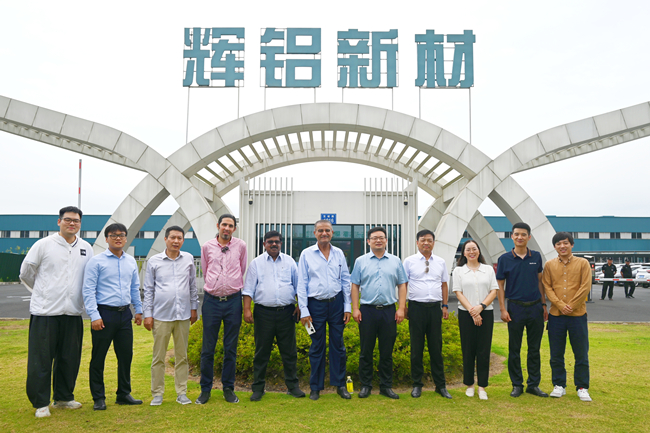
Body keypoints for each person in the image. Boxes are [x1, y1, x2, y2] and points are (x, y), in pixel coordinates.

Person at [20, 206, 93, 418]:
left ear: (80, 224)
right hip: (45, 313)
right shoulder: (43, 245)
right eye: (68, 220)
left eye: (76, 221)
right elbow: (26, 272)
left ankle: (63, 398)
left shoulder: (86, 248)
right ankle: (41, 403)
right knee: (41, 360)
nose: (72, 224)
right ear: (59, 222)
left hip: (72, 313)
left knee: (69, 358)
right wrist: (42, 291)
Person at [83, 223, 143, 411]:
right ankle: (98, 397)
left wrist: (138, 310)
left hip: (124, 314)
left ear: (126, 238)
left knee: (126, 356)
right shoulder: (96, 261)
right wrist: (94, 315)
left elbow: (134, 288)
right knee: (98, 357)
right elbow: (88, 290)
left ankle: (123, 393)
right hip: (104, 314)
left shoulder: (130, 261)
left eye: (121, 235)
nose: (118, 238)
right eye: (113, 235)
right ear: (106, 238)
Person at [242, 230, 305, 401]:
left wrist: (300, 305)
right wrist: (247, 310)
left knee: (289, 352)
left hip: (287, 313)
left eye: (277, 241)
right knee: (261, 352)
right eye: (270, 242)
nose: (274, 244)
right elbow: (248, 289)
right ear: (264, 244)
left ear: (281, 243)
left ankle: (293, 387)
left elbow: (299, 286)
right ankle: (258, 388)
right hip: (263, 313)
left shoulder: (290, 262)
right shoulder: (256, 263)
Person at [143, 226, 198, 406]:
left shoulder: (188, 259)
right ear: (165, 239)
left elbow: (192, 286)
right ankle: (157, 393)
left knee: (182, 356)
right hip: (161, 315)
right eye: (173, 237)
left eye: (179, 238)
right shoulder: (154, 261)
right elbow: (148, 289)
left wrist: (194, 308)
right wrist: (148, 314)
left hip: (183, 315)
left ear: (183, 240)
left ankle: (181, 392)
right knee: (158, 357)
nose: (176, 241)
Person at [297, 219, 352, 401]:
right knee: (316, 347)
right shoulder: (306, 254)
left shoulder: (339, 254)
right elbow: (302, 283)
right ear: (315, 233)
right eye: (320, 230)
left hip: (336, 304)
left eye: (327, 230)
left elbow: (345, 280)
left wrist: (347, 307)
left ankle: (340, 385)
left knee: (338, 346)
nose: (324, 233)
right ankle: (315, 387)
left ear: (332, 233)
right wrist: (304, 310)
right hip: (315, 306)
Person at [350, 227, 407, 399]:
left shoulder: (396, 261)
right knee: (366, 351)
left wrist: (401, 308)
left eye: (381, 237)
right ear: (368, 241)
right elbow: (355, 285)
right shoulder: (361, 261)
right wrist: (355, 308)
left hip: (389, 311)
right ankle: (365, 386)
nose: (378, 240)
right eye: (374, 238)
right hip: (367, 311)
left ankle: (386, 386)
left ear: (386, 241)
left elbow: (402, 285)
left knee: (386, 352)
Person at [196, 214, 247, 405]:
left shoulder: (241, 246)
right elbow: (206, 269)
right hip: (212, 302)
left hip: (233, 301)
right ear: (218, 225)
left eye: (230, 225)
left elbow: (241, 269)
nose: (227, 228)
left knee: (230, 348)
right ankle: (205, 389)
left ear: (234, 229)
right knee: (208, 348)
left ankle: (228, 388)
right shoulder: (207, 246)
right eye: (224, 224)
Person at [496, 222, 549, 398]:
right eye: (517, 234)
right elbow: (500, 285)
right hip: (515, 308)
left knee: (534, 349)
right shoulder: (504, 259)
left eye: (523, 234)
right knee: (514, 349)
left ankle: (533, 385)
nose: (520, 237)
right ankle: (517, 384)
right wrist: (503, 309)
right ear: (512, 236)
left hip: (535, 308)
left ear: (529, 237)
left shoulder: (536, 257)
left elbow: (540, 281)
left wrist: (543, 305)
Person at [542, 232, 592, 402]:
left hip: (578, 315)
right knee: (556, 353)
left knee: (581, 352)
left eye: (565, 243)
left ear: (572, 244)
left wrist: (571, 305)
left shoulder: (583, 263)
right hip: (556, 315)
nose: (562, 246)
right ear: (554, 247)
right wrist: (560, 305)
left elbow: (585, 286)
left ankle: (582, 387)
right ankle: (559, 385)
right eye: (558, 244)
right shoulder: (549, 265)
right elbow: (547, 287)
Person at [403, 229, 452, 399]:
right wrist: (403, 306)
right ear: (417, 242)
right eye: (423, 240)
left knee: (436, 348)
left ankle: (441, 385)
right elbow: (403, 284)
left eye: (429, 240)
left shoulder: (440, 262)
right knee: (416, 348)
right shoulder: (409, 261)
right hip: (416, 308)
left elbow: (444, 284)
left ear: (433, 243)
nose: (426, 243)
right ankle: (417, 384)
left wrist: (444, 305)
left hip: (434, 308)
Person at [452, 240, 498, 401]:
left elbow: (494, 291)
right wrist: (473, 311)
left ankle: (482, 386)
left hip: (486, 313)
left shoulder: (488, 269)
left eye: (474, 249)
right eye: (468, 249)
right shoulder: (458, 271)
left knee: (484, 350)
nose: (471, 252)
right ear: (464, 253)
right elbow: (458, 293)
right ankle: (470, 385)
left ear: (479, 251)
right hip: (466, 314)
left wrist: (481, 307)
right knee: (468, 349)